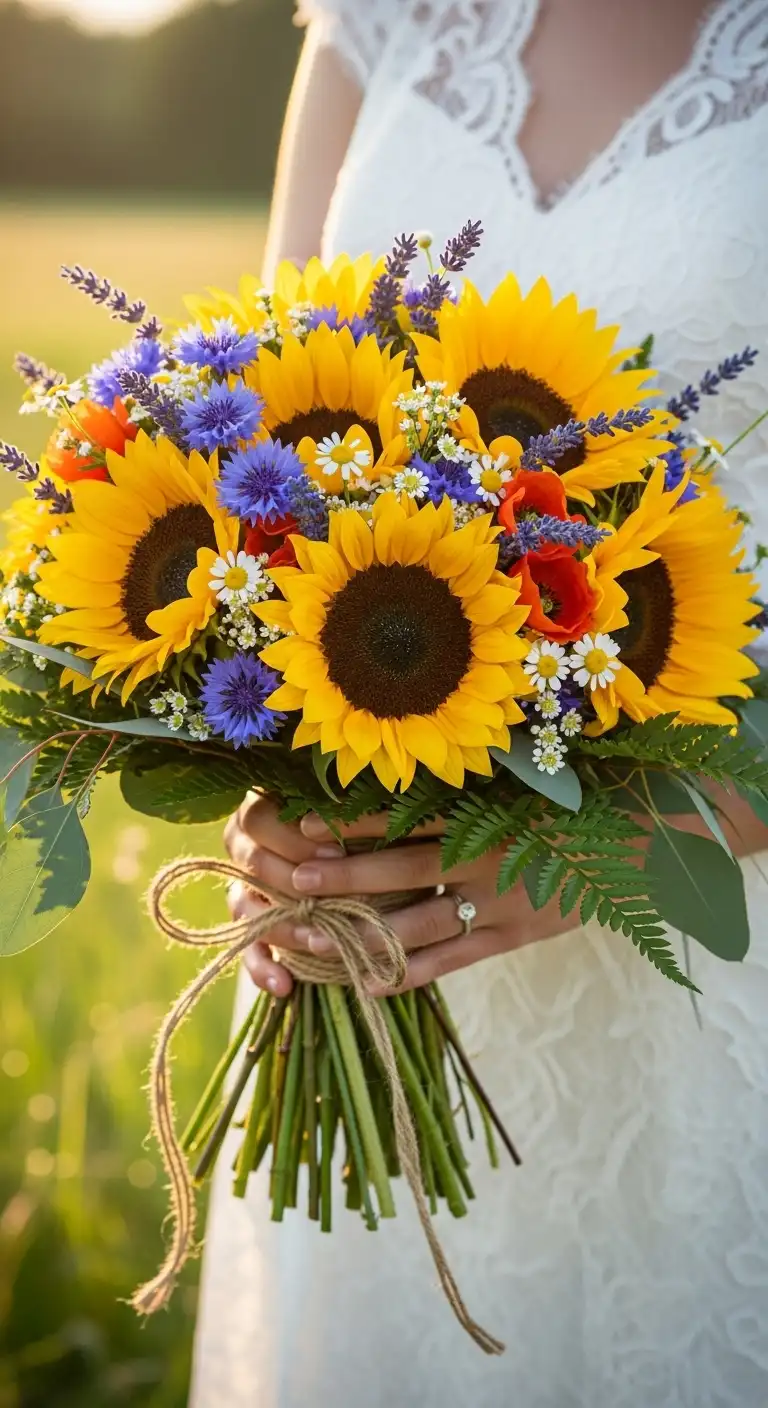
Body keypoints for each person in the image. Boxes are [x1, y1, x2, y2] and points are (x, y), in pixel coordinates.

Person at [191, 3, 768, 1404]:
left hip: (715, 953)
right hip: (376, 968)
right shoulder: (381, 24)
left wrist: (640, 845)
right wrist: (269, 793)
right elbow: (246, 456)